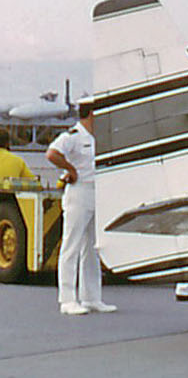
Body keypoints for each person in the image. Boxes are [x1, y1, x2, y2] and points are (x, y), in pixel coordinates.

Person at [47, 97, 113, 315]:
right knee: (71, 245)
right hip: (79, 192)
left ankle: (91, 297)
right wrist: (70, 169)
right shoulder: (72, 136)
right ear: (92, 113)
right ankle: (67, 299)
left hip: (99, 192)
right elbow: (52, 154)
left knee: (92, 247)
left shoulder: (98, 137)